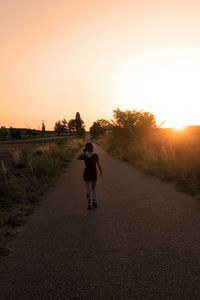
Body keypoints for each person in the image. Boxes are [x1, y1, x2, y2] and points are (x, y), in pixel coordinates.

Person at [78, 142, 102, 209]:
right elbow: (98, 164)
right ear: (92, 147)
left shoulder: (84, 156)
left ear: (86, 148)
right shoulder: (95, 155)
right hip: (93, 172)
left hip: (87, 172)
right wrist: (101, 171)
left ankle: (89, 204)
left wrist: (84, 152)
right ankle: (94, 202)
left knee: (88, 189)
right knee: (93, 189)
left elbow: (78, 158)